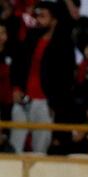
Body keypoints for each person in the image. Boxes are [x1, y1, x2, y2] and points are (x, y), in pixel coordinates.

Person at [9, 1, 75, 153]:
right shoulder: (30, 38)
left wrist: (55, 103)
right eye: (37, 16)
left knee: (40, 149)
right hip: (23, 99)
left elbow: (66, 80)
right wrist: (16, 88)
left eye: (43, 16)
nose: (38, 20)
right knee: (14, 146)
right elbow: (17, 65)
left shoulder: (64, 45)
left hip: (45, 103)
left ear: (54, 20)